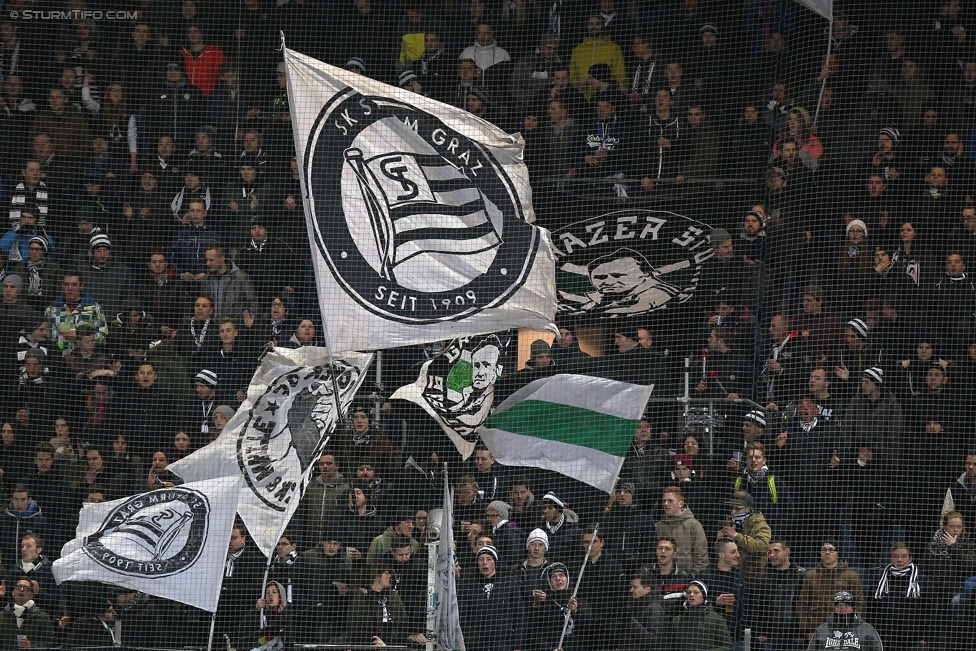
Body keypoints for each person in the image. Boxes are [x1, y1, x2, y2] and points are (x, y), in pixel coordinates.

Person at [869, 543, 932, 651]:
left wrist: (926, 638)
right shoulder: (879, 580)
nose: (899, 560)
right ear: (890, 558)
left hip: (913, 638)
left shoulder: (922, 581)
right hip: (885, 637)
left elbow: (930, 611)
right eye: (895, 556)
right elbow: (871, 608)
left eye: (903, 556)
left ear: (910, 558)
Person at [797, 541, 865, 640]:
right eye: (824, 550)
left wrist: (853, 629)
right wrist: (806, 630)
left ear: (838, 553)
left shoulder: (851, 576)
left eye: (831, 550)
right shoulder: (810, 576)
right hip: (816, 629)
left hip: (843, 630)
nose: (827, 552)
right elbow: (802, 604)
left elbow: (860, 604)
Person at [458, 546, 521, 651]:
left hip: (502, 643)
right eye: (481, 559)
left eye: (489, 559)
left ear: (495, 562)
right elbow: (461, 614)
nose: (484, 562)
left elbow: (519, 614)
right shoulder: (467, 584)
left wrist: (518, 646)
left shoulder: (508, 584)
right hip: (474, 643)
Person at [521, 562, 588, 651]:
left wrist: (576, 611)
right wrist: (551, 649)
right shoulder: (544, 605)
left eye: (561, 575)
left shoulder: (579, 602)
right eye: (553, 576)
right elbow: (535, 635)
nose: (558, 579)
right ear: (549, 582)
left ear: (567, 579)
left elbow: (588, 626)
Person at [656, 486, 709, 576]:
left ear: (681, 504)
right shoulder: (659, 526)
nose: (665, 504)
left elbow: (701, 557)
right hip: (662, 577)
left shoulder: (694, 525)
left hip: (687, 579)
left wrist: (692, 578)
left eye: (670, 501)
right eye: (664, 501)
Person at [666, 580, 732, 651]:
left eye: (696, 592)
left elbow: (727, 646)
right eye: (689, 592)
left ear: (704, 596)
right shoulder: (676, 621)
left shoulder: (716, 619)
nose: (691, 595)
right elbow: (669, 646)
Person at [807, 591, 883, 650]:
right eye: (838, 605)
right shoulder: (822, 629)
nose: (842, 609)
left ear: (853, 608)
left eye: (846, 605)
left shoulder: (867, 629)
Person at [0, 577, 55, 649]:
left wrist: (31, 646)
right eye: (18, 587)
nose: (22, 590)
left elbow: (50, 642)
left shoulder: (42, 617)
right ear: (13, 593)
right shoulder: (2, 615)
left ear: (31, 595)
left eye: (26, 588)